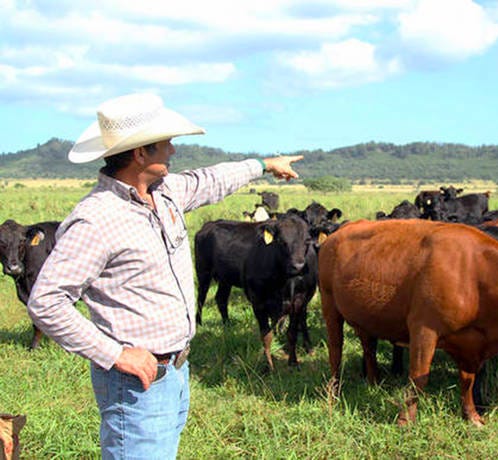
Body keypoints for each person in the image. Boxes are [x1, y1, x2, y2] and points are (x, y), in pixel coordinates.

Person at [27, 92, 302, 459]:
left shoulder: (166, 192)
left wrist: (264, 164)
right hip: (135, 383)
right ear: (141, 153)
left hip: (174, 371)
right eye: (167, 142)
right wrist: (116, 354)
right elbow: (45, 301)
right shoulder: (97, 219)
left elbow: (211, 179)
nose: (173, 150)